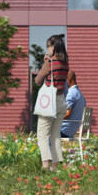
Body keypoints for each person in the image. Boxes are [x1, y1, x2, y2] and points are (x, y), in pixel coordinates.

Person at [33, 34, 69, 170]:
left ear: (53, 48)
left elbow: (37, 81)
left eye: (48, 46)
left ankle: (45, 165)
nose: (47, 49)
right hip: (61, 101)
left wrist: (45, 62)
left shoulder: (50, 63)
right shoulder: (65, 63)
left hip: (49, 102)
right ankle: (55, 166)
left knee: (42, 134)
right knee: (55, 135)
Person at [60, 71, 87, 138]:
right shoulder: (81, 95)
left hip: (64, 130)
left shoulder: (71, 93)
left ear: (69, 79)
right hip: (73, 130)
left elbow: (68, 113)